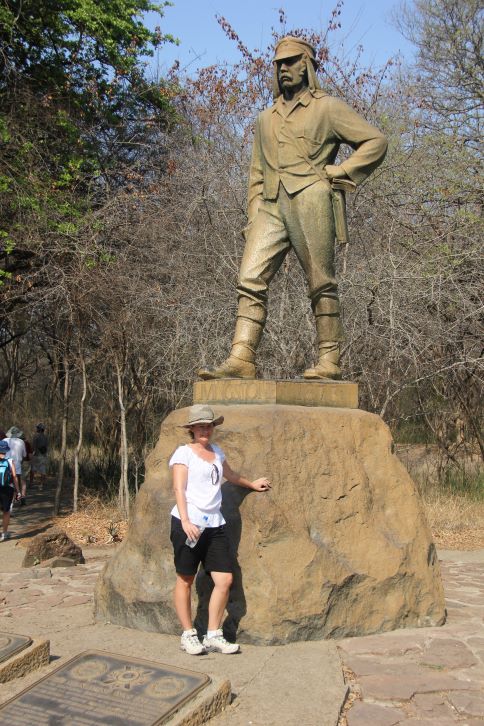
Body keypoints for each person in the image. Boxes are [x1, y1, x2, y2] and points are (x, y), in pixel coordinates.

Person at [199, 36, 387, 381]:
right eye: (278, 64)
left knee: (321, 281)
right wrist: (254, 211)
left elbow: (375, 141)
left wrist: (341, 171)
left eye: (290, 62)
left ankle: (329, 360)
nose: (283, 69)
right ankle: (242, 357)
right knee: (249, 278)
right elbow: (257, 172)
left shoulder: (327, 108)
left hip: (311, 198)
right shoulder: (264, 119)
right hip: (271, 205)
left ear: (307, 65)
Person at [170, 404, 271, 655]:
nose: (205, 430)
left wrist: (252, 484)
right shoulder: (184, 453)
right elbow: (178, 489)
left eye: (209, 425)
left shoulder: (216, 451)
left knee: (224, 579)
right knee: (185, 578)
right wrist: (185, 521)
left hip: (215, 524)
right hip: (190, 525)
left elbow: (231, 476)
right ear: (192, 429)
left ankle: (213, 634)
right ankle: (188, 633)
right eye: (200, 426)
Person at [0, 440, 21, 541]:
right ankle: (4, 533)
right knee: (6, 511)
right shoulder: (9, 460)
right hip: (7, 489)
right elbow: (14, 476)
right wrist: (18, 491)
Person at [5, 427, 27, 505]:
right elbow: (24, 455)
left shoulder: (4, 440)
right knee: (16, 483)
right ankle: (15, 501)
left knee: (7, 484)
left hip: (5, 466)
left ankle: (10, 504)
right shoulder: (21, 442)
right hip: (17, 466)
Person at [31, 423, 48, 490]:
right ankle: (41, 485)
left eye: (38, 428)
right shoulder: (45, 437)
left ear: (40, 429)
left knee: (32, 470)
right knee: (43, 470)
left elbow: (33, 447)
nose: (37, 429)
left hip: (36, 455)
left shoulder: (36, 436)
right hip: (43, 455)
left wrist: (32, 453)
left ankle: (31, 483)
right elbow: (46, 447)